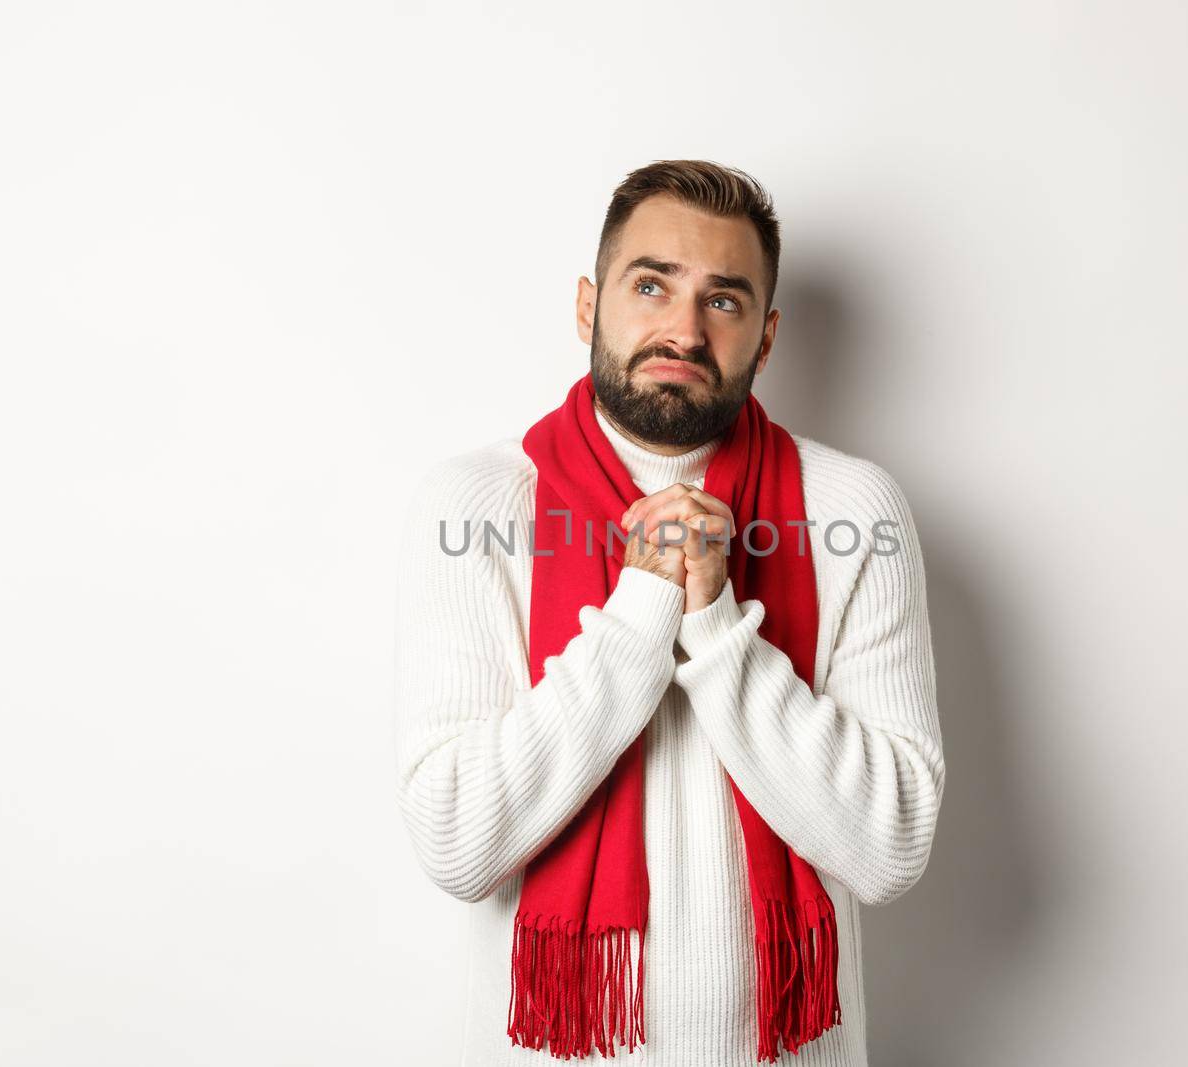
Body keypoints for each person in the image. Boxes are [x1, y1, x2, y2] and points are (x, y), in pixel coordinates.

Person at [393, 159, 946, 1065]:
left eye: (723, 300)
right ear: (588, 305)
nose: (682, 329)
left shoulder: (853, 508)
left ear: (766, 338)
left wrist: (718, 621)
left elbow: (890, 848)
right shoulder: (478, 506)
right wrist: (644, 603)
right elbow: (457, 841)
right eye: (651, 284)